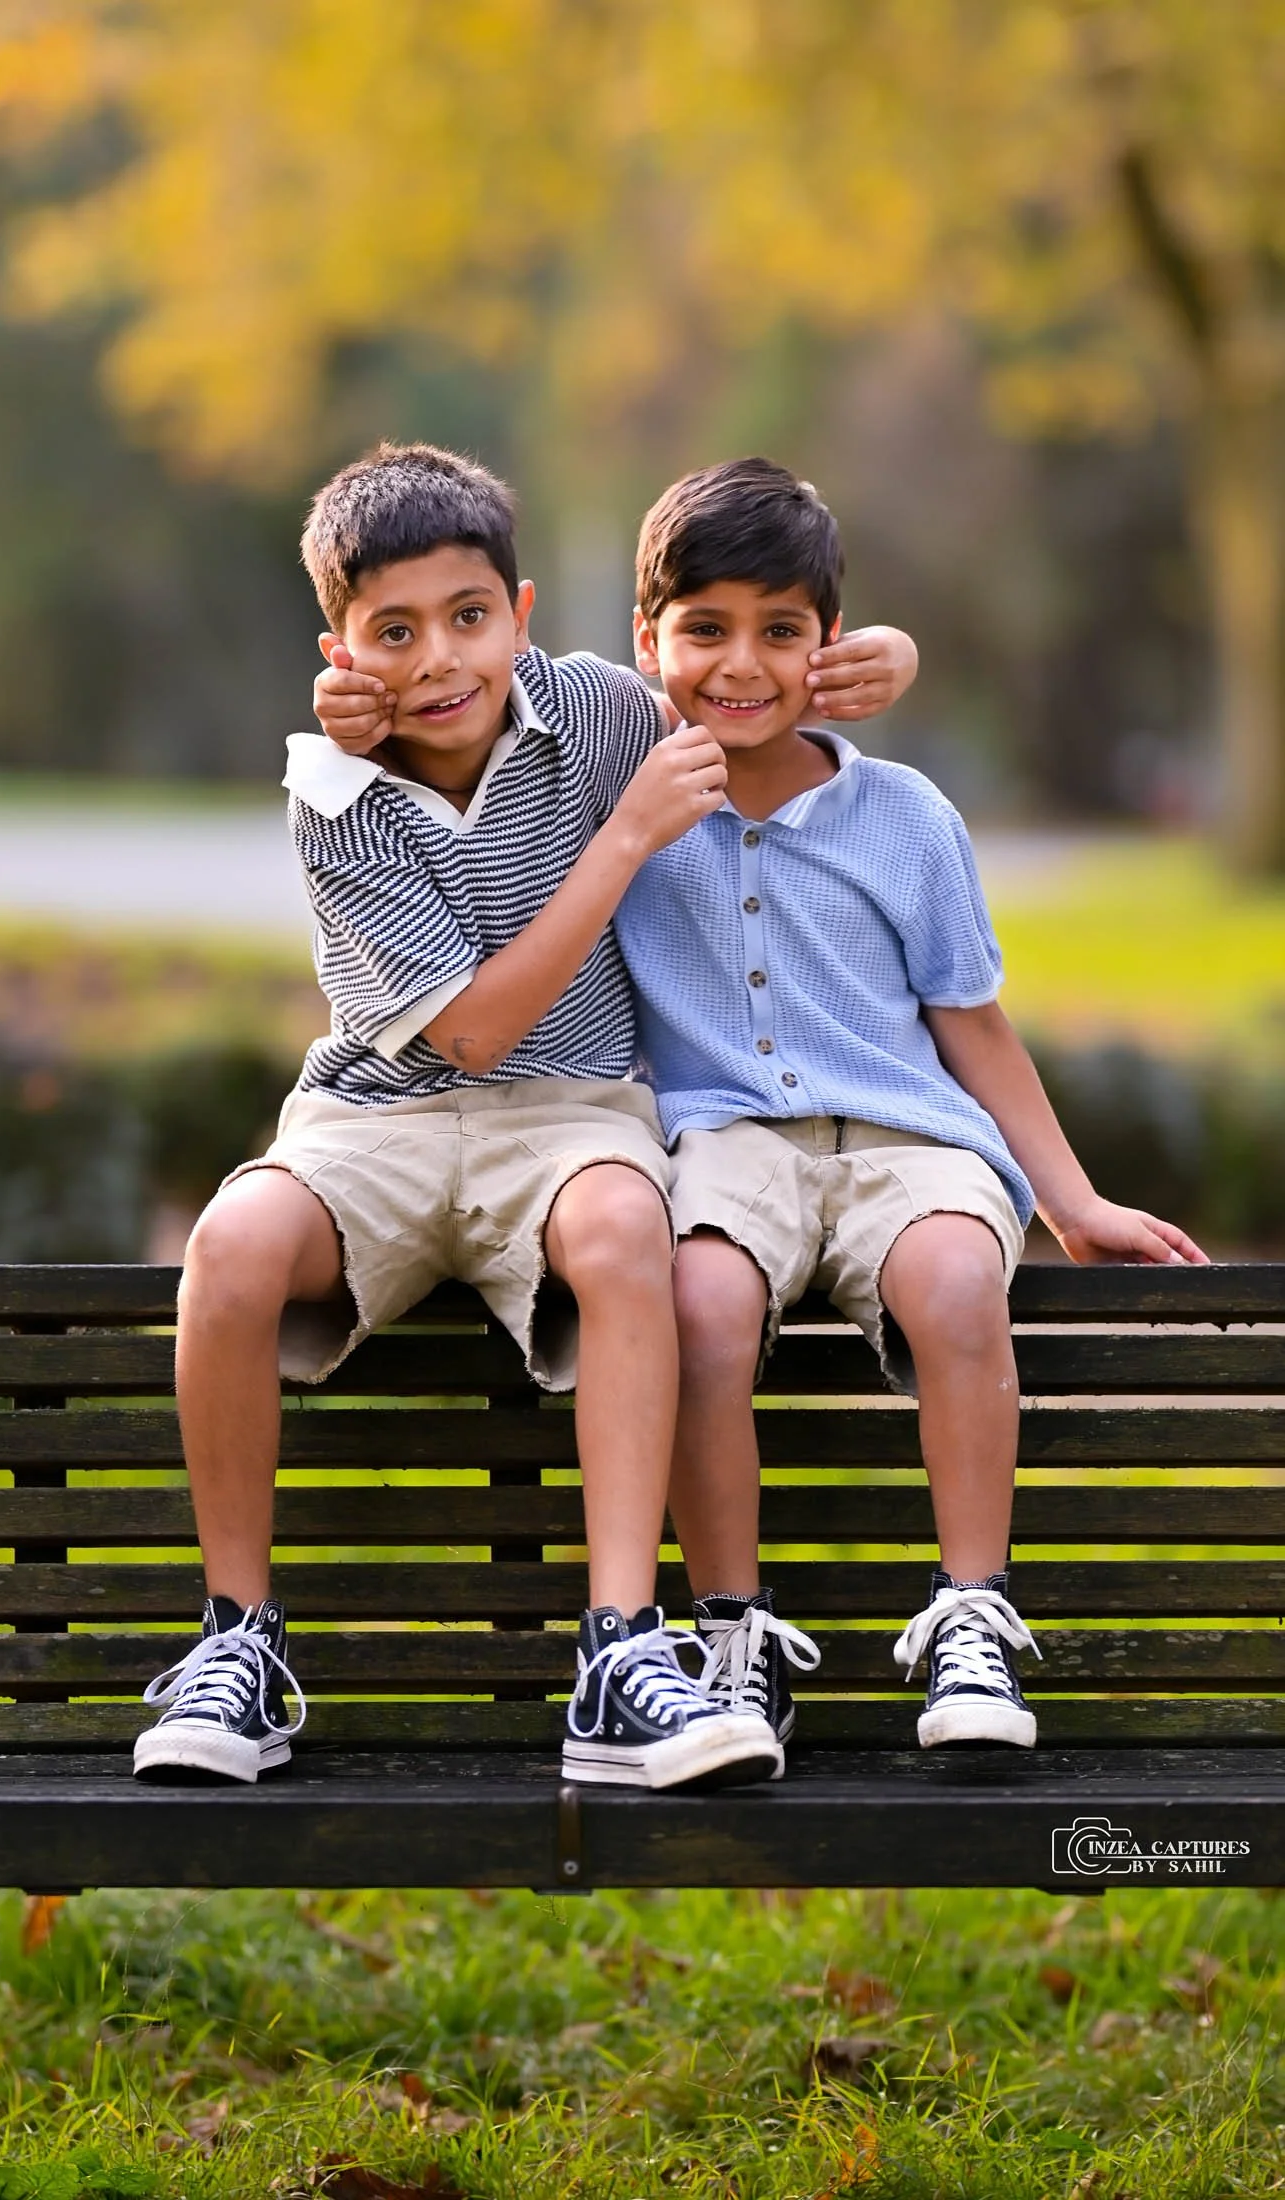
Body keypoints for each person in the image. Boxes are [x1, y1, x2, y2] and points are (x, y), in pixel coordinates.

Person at [133, 442, 917, 1791]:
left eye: (467, 617)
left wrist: (882, 658)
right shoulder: (334, 794)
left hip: (569, 1119)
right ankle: (236, 1642)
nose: (438, 660)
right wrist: (618, 847)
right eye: (393, 632)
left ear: (521, 612)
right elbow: (473, 1030)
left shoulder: (605, 715)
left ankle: (619, 1648)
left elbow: (734, 684)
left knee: (626, 1230)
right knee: (228, 1250)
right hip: (377, 1120)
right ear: (341, 649)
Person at [612, 456, 1209, 1760]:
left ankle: (970, 1617)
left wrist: (1070, 1199)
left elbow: (971, 1024)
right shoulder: (621, 800)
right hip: (723, 1145)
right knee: (699, 1307)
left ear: (829, 647)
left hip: (903, 1140)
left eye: (781, 631)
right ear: (643, 638)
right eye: (704, 628)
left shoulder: (904, 818)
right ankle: (728, 1636)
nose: (742, 664)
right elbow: (500, 700)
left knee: (951, 1283)